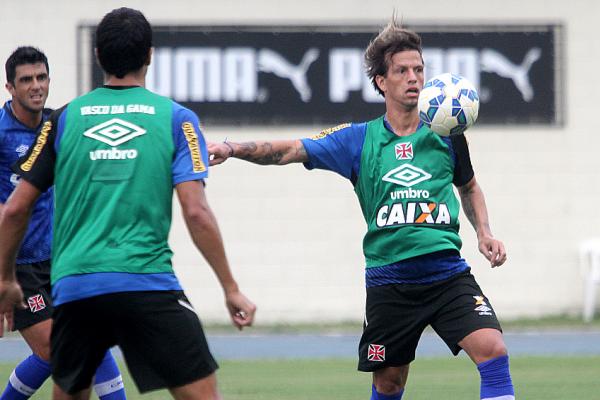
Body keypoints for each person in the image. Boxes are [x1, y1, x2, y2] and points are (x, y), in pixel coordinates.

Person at [208, 20, 515, 400]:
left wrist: (484, 232)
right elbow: (289, 150)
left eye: (418, 69)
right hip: (390, 282)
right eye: (402, 71)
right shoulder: (358, 139)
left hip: (446, 275)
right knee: (389, 383)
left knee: (493, 351)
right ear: (381, 81)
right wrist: (232, 148)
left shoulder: (447, 134)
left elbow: (468, 186)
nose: (413, 78)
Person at [0, 8, 256, 400]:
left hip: (77, 287)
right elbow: (196, 211)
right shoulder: (178, 119)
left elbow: (15, 210)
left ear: (98, 56)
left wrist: (4, 280)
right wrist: (230, 287)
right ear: (149, 55)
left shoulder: (62, 120)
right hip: (146, 281)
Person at [0, 46, 127, 400]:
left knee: (89, 340)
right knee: (58, 351)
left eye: (41, 77)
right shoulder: (2, 134)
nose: (36, 86)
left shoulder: (58, 126)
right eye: (26, 80)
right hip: (19, 267)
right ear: (10, 87)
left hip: (63, 259)